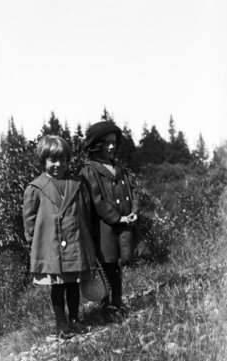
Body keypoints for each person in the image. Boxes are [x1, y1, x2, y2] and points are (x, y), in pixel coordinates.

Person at [23, 135, 96, 339]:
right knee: (57, 285)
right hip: (52, 246)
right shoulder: (36, 188)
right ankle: (61, 323)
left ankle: (75, 318)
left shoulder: (76, 185)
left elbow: (85, 212)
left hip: (75, 243)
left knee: (73, 283)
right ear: (43, 161)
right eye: (52, 160)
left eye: (62, 159)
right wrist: (34, 243)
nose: (57, 164)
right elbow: (29, 219)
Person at [81, 121, 146, 322]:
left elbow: (135, 190)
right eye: (106, 143)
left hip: (121, 226)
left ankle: (117, 302)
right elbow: (97, 200)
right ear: (95, 145)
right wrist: (118, 218)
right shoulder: (90, 171)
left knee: (116, 265)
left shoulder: (121, 169)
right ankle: (107, 305)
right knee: (106, 265)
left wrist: (134, 211)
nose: (111, 146)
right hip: (104, 228)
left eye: (114, 142)